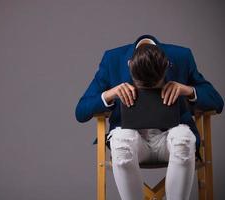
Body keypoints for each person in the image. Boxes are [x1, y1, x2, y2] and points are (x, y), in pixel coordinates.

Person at [75, 34, 224, 200]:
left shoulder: (182, 56)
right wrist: (110, 94)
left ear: (167, 66)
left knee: (184, 137)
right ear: (130, 65)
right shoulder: (113, 59)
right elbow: (81, 111)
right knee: (121, 139)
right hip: (134, 145)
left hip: (171, 142)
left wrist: (188, 90)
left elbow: (217, 102)